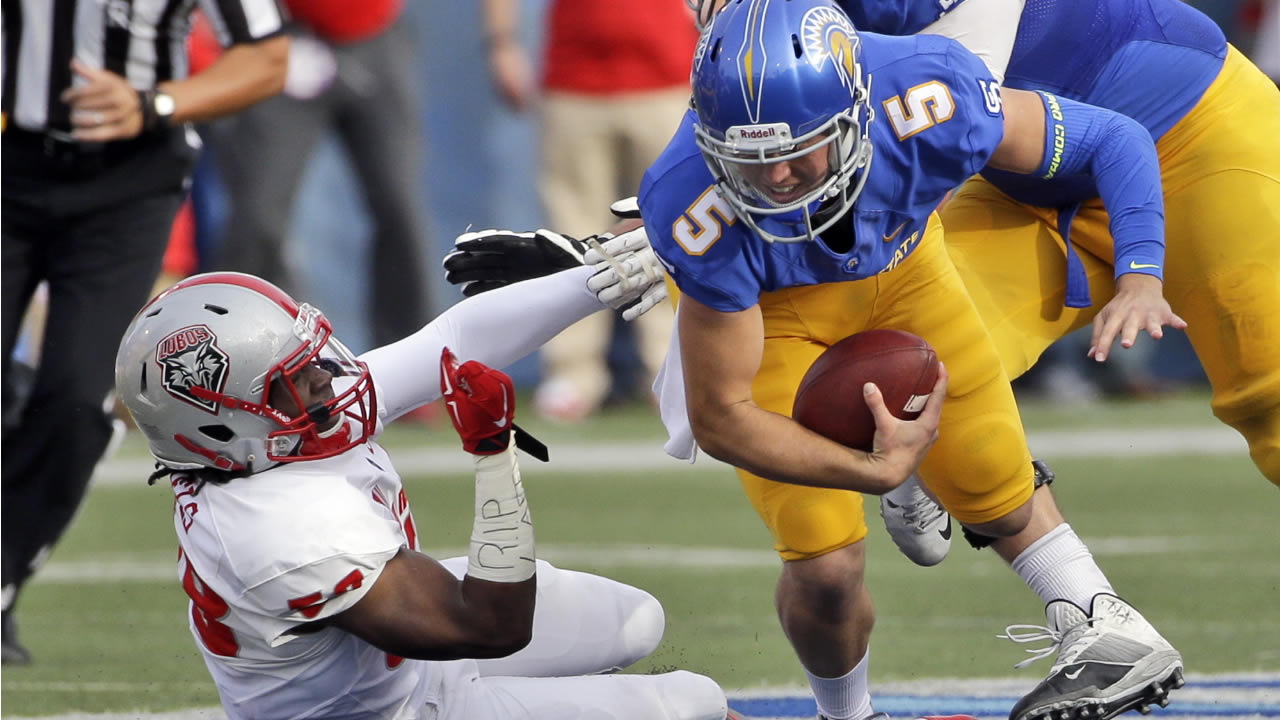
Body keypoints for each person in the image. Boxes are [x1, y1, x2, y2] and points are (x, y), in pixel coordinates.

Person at [445, 3, 1188, 720]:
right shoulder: (691, 196)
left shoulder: (929, 93)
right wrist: (873, 472)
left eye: (799, 153)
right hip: (775, 316)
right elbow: (723, 415)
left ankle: (1101, 619)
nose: (776, 181)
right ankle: (849, 714)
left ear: (858, 112)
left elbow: (1113, 140)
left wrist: (1140, 275)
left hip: (905, 274)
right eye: (751, 161)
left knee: (993, 473)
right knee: (825, 566)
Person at [113, 270, 730, 720]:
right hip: (385, 711)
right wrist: (493, 458)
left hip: (395, 661)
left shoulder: (263, 444)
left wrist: (601, 277)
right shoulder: (277, 529)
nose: (326, 379)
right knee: (689, 704)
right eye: (294, 380)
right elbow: (492, 625)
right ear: (223, 422)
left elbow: (454, 336)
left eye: (310, 361)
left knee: (637, 621)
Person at [1, 0, 291, 665]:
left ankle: (3, 571)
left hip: (129, 183)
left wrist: (155, 102)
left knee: (79, 400)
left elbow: (268, 56)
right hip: (6, 159)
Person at [481, 0, 695, 421]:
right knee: (573, 235)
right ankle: (572, 373)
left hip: (667, 73)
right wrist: (501, 42)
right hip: (575, 80)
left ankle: (677, 369)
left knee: (677, 229)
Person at [209, 0, 433, 349]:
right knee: (259, 215)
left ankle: (411, 358)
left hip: (373, 33)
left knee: (399, 205)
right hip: (279, 39)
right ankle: (260, 353)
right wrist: (273, 41)